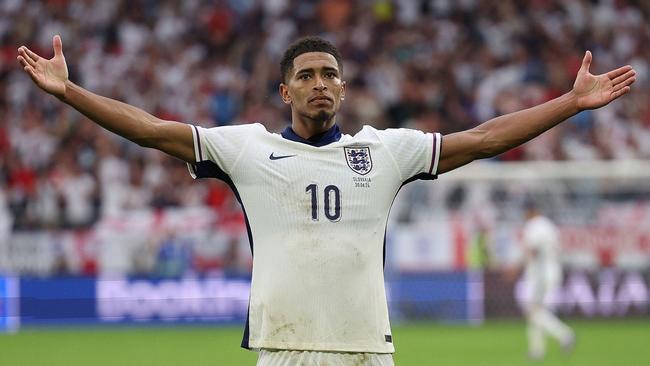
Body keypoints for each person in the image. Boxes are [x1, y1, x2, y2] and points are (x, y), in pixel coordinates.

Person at [17, 35, 634, 365]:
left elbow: (482, 139)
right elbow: (151, 129)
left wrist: (570, 104)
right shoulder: (246, 149)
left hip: (367, 348)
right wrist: (69, 91)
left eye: (331, 75)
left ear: (344, 89)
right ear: (284, 89)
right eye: (308, 75)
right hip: (286, 349)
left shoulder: (385, 151)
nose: (321, 84)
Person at [520, 201, 575, 361]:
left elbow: (533, 250)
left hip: (541, 275)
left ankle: (565, 334)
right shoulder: (549, 225)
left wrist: (517, 266)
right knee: (535, 311)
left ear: (531, 212)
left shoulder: (534, 226)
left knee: (533, 311)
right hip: (553, 270)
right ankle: (537, 351)